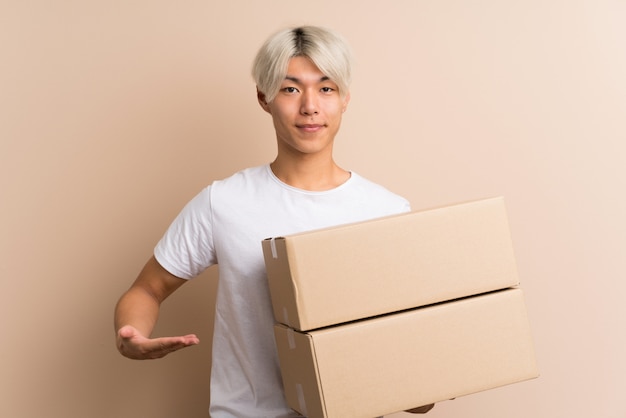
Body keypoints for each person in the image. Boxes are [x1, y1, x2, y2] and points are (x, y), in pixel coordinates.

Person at [114, 25, 434, 417]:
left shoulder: (386, 211)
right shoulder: (224, 202)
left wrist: (427, 381)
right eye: (291, 88)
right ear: (264, 98)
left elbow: (417, 389)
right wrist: (131, 335)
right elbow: (147, 289)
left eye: (326, 88)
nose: (310, 106)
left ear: (346, 98)